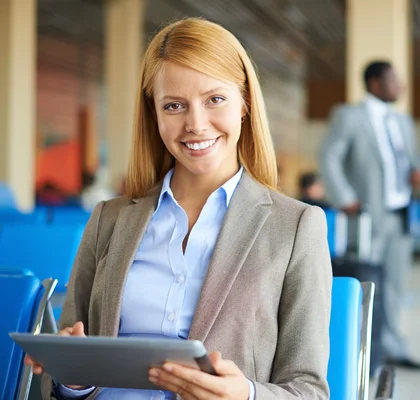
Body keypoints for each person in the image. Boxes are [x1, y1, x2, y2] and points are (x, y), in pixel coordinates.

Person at [26, 18, 332, 400]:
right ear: (154, 115)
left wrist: (248, 395)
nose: (196, 124)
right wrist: (72, 380)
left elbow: (309, 391)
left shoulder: (296, 227)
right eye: (174, 106)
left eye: (215, 99)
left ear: (245, 103)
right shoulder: (109, 219)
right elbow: (61, 375)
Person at [320, 61, 420, 371]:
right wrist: (345, 198)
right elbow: (330, 156)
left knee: (396, 284)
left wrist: (418, 172)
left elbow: (412, 159)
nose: (401, 86)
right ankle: (366, 352)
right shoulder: (349, 116)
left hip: (401, 213)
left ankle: (394, 346)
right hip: (367, 216)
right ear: (375, 84)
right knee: (367, 283)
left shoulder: (402, 120)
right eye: (395, 80)